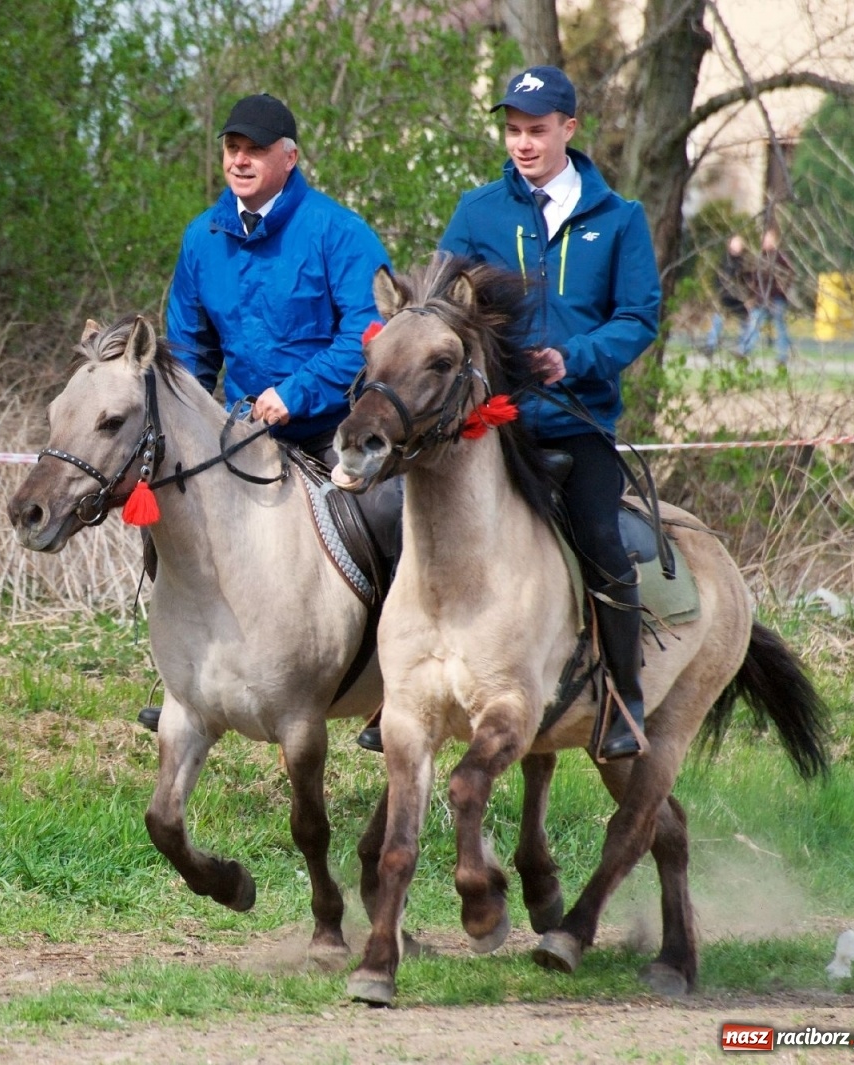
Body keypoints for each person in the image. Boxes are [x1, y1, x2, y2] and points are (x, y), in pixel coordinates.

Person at [142, 92, 398, 735]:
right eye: (232, 148)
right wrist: (180, 429)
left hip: (334, 429)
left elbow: (367, 336)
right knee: (169, 510)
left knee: (390, 523)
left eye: (255, 149)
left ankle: (392, 680)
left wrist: (297, 391)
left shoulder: (340, 233)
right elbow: (189, 350)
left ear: (289, 156)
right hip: (238, 433)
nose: (241, 160)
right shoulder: (202, 238)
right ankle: (189, 678)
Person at [437, 65, 662, 761]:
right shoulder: (477, 212)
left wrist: (578, 356)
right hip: (491, 427)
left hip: (577, 422)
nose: (523, 144)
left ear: (569, 127)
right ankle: (396, 687)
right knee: (405, 526)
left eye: (536, 130)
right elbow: (442, 303)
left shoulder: (620, 219)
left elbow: (639, 317)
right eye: (512, 131)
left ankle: (624, 697)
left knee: (601, 539)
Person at [739, 226, 793, 365]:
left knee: (779, 327)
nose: (764, 241)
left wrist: (781, 289)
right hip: (760, 299)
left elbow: (789, 274)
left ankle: (782, 356)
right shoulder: (760, 258)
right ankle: (744, 350)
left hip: (776, 299)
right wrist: (750, 297)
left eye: (768, 238)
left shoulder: (780, 258)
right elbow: (754, 281)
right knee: (754, 324)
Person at [704, 234, 749, 355]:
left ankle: (741, 348)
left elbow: (747, 281)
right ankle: (710, 345)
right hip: (727, 297)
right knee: (719, 319)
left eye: (739, 244)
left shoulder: (743, 263)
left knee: (745, 323)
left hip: (738, 299)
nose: (736, 247)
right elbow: (718, 278)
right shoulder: (725, 261)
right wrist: (720, 291)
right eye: (735, 244)